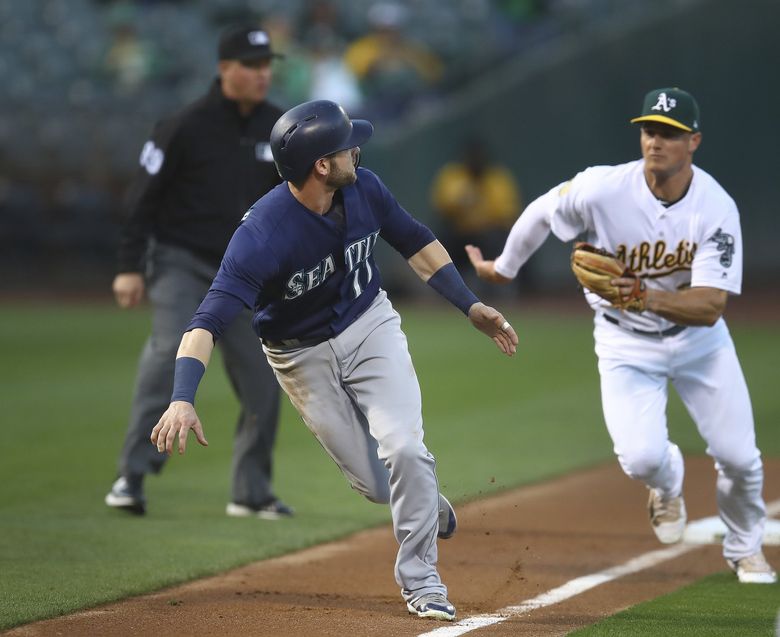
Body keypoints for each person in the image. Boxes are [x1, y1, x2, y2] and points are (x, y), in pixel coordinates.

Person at [149, 99, 518, 621]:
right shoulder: (261, 237)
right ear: (321, 165)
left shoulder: (364, 187)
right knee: (374, 485)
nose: (356, 148)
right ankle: (426, 503)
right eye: (346, 144)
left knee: (406, 451)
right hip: (300, 356)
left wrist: (470, 304)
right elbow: (205, 323)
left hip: (371, 326)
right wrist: (182, 398)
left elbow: (416, 241)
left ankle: (422, 580)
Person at [466, 87, 777, 585]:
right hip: (624, 342)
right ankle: (667, 484)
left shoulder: (715, 208)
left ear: (693, 141)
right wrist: (504, 268)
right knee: (641, 459)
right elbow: (545, 210)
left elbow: (711, 305)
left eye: (670, 134)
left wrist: (641, 295)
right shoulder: (603, 188)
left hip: (700, 344)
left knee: (740, 458)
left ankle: (745, 550)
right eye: (650, 131)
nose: (657, 142)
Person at [106, 25, 292, 520]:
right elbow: (141, 197)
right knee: (171, 350)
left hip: (243, 276)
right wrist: (129, 266)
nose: (262, 74)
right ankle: (133, 475)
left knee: (263, 375)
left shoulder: (280, 129)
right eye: (251, 65)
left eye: (266, 64)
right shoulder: (184, 124)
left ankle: (250, 492)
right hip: (181, 262)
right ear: (224, 68)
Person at [430, 138, 522, 293]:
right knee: (439, 238)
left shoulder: (496, 178)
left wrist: (481, 209)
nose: (475, 162)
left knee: (500, 238)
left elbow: (507, 213)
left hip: (487, 234)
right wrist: (462, 199)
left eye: (479, 158)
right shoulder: (453, 175)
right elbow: (441, 205)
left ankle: (498, 288)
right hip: (459, 233)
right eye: (472, 158)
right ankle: (443, 288)